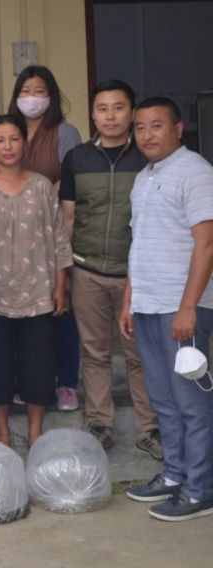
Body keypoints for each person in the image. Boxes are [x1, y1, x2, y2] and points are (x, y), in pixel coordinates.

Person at [122, 97, 213, 522]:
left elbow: (206, 243)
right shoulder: (144, 177)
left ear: (178, 128)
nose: (147, 134)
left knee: (190, 403)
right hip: (148, 306)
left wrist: (188, 306)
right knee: (163, 400)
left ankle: (199, 489)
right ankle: (175, 475)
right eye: (140, 127)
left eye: (156, 125)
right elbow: (138, 245)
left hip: (181, 308)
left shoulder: (195, 172)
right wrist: (129, 301)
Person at [60, 80, 160, 458]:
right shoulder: (77, 158)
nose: (111, 116)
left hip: (137, 273)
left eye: (119, 108)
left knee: (140, 354)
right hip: (86, 271)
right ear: (92, 114)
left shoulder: (148, 159)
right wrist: (65, 269)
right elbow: (68, 218)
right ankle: (99, 424)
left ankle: (149, 428)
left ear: (131, 112)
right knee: (95, 352)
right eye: (102, 109)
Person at [0, 114, 72, 448]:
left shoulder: (42, 186)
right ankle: (2, 429)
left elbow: (58, 237)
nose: (8, 146)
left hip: (37, 290)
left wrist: (60, 283)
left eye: (14, 139)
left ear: (24, 144)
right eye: (0, 140)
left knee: (38, 364)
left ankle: (35, 429)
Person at [8, 65, 82, 411]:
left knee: (60, 308)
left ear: (50, 95)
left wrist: (39, 194)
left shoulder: (64, 132)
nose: (32, 98)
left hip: (53, 229)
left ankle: (67, 382)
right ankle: (30, 380)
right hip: (13, 236)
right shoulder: (10, 130)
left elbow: (69, 180)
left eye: (39, 91)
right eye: (25, 90)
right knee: (24, 313)